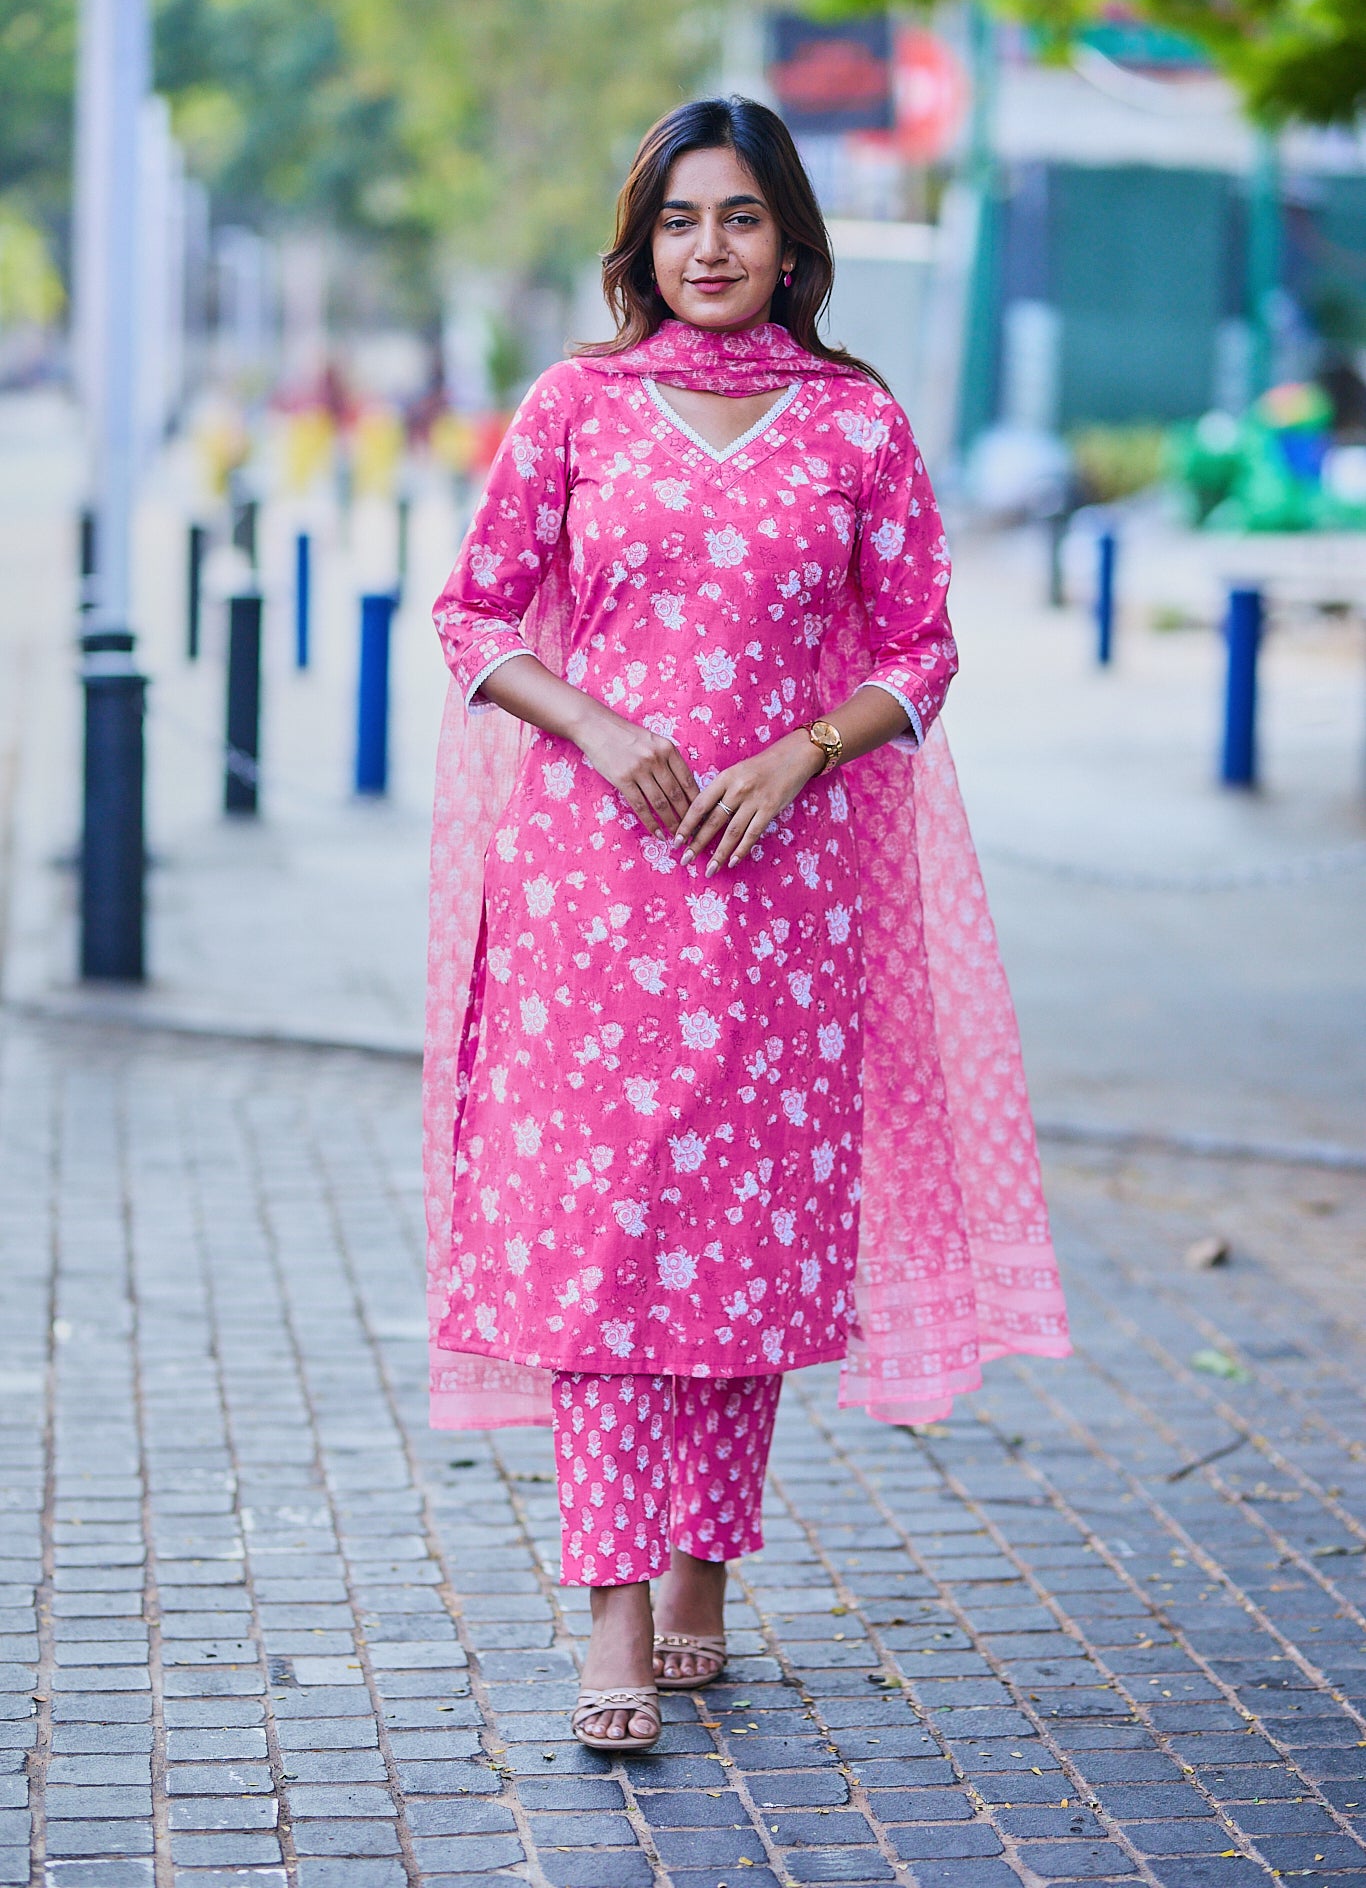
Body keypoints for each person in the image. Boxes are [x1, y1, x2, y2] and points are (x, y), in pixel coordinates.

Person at [424, 96, 1071, 1753]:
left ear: (792, 243)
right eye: (676, 224)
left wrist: (798, 757)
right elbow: (475, 610)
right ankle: (614, 1610)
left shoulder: (851, 426)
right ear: (639, 247)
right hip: (594, 886)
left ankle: (708, 1560)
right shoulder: (578, 406)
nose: (707, 252)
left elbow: (919, 649)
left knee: (745, 1239)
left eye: (738, 221)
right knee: (608, 1237)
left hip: (782, 894)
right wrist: (601, 728)